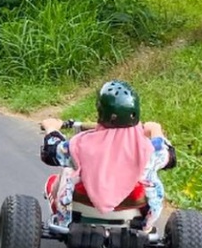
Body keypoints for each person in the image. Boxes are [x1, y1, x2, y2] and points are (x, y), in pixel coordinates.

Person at [40, 81, 177, 217]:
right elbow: (169, 156)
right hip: (133, 202)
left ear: (100, 111)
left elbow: (51, 152)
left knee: (67, 171)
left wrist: (51, 128)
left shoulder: (80, 144)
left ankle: (62, 216)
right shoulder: (149, 149)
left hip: (85, 200)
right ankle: (147, 223)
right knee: (151, 177)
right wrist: (155, 129)